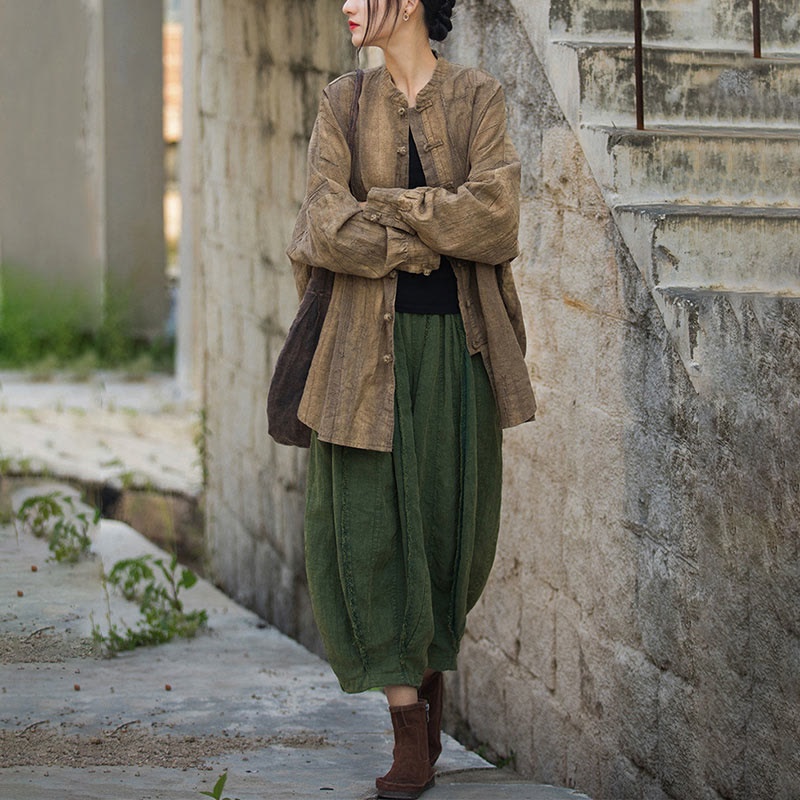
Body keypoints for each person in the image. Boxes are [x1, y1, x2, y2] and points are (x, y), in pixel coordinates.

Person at [284, 0, 537, 796]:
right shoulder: (341, 102)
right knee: (360, 531)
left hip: (456, 355)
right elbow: (326, 227)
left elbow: (495, 220)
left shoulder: (477, 98)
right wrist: (426, 235)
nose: (349, 5)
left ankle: (427, 690)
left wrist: (391, 208)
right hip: (358, 357)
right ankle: (406, 730)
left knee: (444, 531)